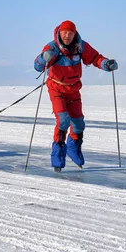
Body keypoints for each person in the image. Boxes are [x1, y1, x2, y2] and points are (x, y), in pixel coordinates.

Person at [34, 20, 118, 172]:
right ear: (59, 32)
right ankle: (58, 156)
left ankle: (73, 148)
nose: (67, 36)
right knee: (63, 120)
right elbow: (37, 66)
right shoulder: (52, 47)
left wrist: (106, 64)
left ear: (74, 34)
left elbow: (94, 58)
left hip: (73, 90)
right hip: (56, 89)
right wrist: (43, 58)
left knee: (79, 124)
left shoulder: (81, 46)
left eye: (70, 33)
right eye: (64, 32)